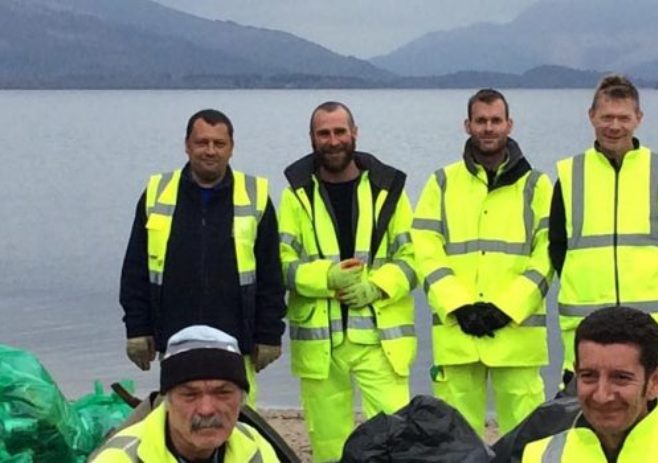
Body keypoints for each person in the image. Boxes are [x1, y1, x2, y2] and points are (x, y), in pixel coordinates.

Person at [278, 101, 419, 462]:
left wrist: (376, 286)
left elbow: (412, 260)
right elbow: (282, 264)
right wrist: (326, 276)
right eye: (324, 133)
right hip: (321, 345)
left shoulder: (388, 190)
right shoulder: (296, 195)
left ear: (354, 133)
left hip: (379, 340)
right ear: (312, 139)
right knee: (328, 447)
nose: (333, 140)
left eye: (340, 131)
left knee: (395, 441)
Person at [120, 109, 286, 405]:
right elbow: (135, 269)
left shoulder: (256, 196)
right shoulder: (158, 192)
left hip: (236, 341)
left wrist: (270, 334)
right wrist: (137, 329)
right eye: (202, 142)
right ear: (187, 145)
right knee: (181, 421)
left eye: (219, 144)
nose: (210, 151)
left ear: (231, 148)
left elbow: (271, 275)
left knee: (240, 423)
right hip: (175, 337)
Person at [412, 88, 552, 436]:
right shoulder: (441, 183)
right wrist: (458, 305)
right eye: (481, 121)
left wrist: (508, 307)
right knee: (455, 439)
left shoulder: (536, 185)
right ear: (467, 125)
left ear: (509, 124)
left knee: (526, 438)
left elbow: (548, 253)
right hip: (458, 334)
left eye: (495, 120)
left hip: (517, 335)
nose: (488, 128)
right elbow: (425, 248)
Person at [549, 74, 658, 364]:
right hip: (585, 321)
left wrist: (650, 281)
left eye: (623, 118)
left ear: (638, 118)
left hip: (647, 322)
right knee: (581, 402)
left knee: (645, 400)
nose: (614, 126)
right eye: (607, 117)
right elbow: (556, 247)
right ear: (592, 117)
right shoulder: (570, 175)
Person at [521, 307, 658, 462]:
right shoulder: (538, 456)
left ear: (655, 381)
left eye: (621, 378)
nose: (602, 395)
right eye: (589, 376)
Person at [90, 326, 285, 463]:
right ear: (166, 400)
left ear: (241, 398)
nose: (207, 409)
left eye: (223, 393)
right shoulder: (118, 458)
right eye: (190, 395)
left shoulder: (254, 445)